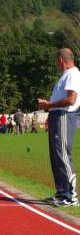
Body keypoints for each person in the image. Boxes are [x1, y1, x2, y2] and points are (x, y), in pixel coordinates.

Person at [38, 48, 80, 206]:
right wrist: (49, 105)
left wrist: (49, 104)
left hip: (63, 116)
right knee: (56, 156)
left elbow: (71, 99)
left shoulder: (72, 74)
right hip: (57, 116)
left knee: (62, 154)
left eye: (57, 61)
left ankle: (71, 195)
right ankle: (62, 192)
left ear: (61, 60)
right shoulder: (66, 76)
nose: (56, 64)